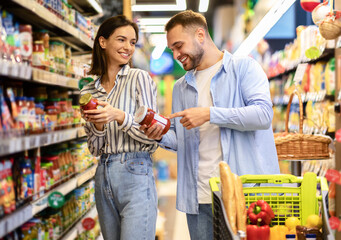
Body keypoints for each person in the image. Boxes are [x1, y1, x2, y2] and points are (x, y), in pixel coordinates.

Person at [141, 10, 280, 240]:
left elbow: (263, 115)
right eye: (172, 49)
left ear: (200, 35)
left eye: (178, 45)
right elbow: (181, 140)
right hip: (198, 198)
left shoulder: (243, 68)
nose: (176, 54)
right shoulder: (180, 87)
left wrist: (209, 114)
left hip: (241, 195)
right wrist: (159, 135)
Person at [81, 15, 158, 240]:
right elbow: (94, 149)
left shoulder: (139, 78)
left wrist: (119, 116)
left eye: (132, 42)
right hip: (103, 172)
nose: (128, 48)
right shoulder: (89, 91)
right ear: (103, 42)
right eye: (122, 40)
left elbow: (152, 137)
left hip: (135, 170)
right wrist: (97, 125)